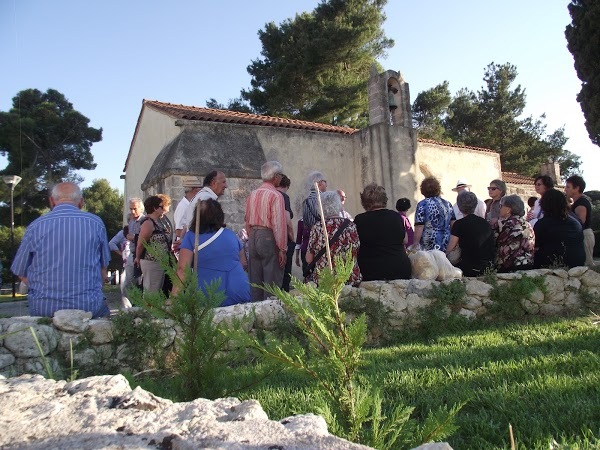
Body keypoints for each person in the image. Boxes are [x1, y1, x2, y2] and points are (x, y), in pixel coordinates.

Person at [11, 182, 111, 318]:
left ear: (52, 201)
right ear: (81, 202)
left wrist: (44, 289)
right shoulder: (95, 223)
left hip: (43, 309)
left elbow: (20, 271)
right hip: (88, 308)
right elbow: (103, 269)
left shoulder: (35, 226)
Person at [175, 199, 250, 306]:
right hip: (239, 288)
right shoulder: (231, 235)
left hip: (208, 292)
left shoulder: (191, 237)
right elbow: (243, 263)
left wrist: (174, 298)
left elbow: (183, 270)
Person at [245, 161, 288, 301]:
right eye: (280, 175)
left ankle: (255, 312)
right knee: (272, 279)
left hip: (253, 236)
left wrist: (250, 237)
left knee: (255, 280)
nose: (281, 178)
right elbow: (278, 224)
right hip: (267, 236)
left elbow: (247, 220)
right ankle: (270, 315)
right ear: (276, 176)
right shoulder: (276, 195)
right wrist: (282, 248)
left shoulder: (252, 194)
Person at [354, 183, 411, 281]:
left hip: (371, 271)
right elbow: (405, 240)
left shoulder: (359, 220)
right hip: (399, 269)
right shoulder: (396, 217)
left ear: (364, 201)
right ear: (384, 199)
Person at [306, 191, 362, 286]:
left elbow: (309, 259)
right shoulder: (350, 225)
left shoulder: (318, 227)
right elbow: (356, 250)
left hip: (325, 279)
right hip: (349, 278)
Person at [447, 191, 495, 277]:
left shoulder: (459, 224)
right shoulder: (485, 223)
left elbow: (450, 247)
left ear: (459, 206)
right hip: (488, 266)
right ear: (475, 205)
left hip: (470, 267)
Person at [533, 189, 585, 269]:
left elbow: (535, 246)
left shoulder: (542, 224)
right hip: (577, 263)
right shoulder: (575, 222)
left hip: (551, 264)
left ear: (544, 204)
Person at [134, 195, 171, 293]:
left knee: (156, 290)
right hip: (152, 262)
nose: (165, 210)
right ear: (155, 208)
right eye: (162, 207)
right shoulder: (148, 223)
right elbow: (141, 244)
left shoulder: (156, 223)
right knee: (152, 291)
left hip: (158, 262)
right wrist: (137, 258)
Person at [493, 195, 535, 272]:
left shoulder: (508, 224)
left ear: (508, 210)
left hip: (510, 266)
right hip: (527, 264)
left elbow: (496, 241)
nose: (500, 208)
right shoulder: (527, 224)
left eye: (501, 206)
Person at [413, 177, 455, 252]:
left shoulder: (422, 205)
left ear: (423, 190)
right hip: (445, 243)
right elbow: (453, 225)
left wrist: (415, 244)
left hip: (429, 244)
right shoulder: (448, 204)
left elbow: (419, 226)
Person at [565, 175, 595, 266]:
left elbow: (580, 222)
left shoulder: (581, 203)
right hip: (583, 235)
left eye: (568, 187)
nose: (565, 189)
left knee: (587, 265)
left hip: (584, 235)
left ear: (576, 188)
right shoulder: (578, 202)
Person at [123, 198, 145, 306]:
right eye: (131, 209)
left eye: (135, 209)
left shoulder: (144, 221)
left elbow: (144, 238)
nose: (132, 211)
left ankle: (139, 305)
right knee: (128, 282)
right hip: (132, 254)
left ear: (141, 208)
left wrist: (133, 237)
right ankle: (132, 304)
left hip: (142, 255)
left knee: (140, 282)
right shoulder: (131, 221)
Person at [276, 174, 296, 291]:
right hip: (284, 239)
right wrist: (292, 238)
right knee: (285, 271)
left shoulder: (270, 195)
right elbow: (287, 220)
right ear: (287, 186)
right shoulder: (283, 197)